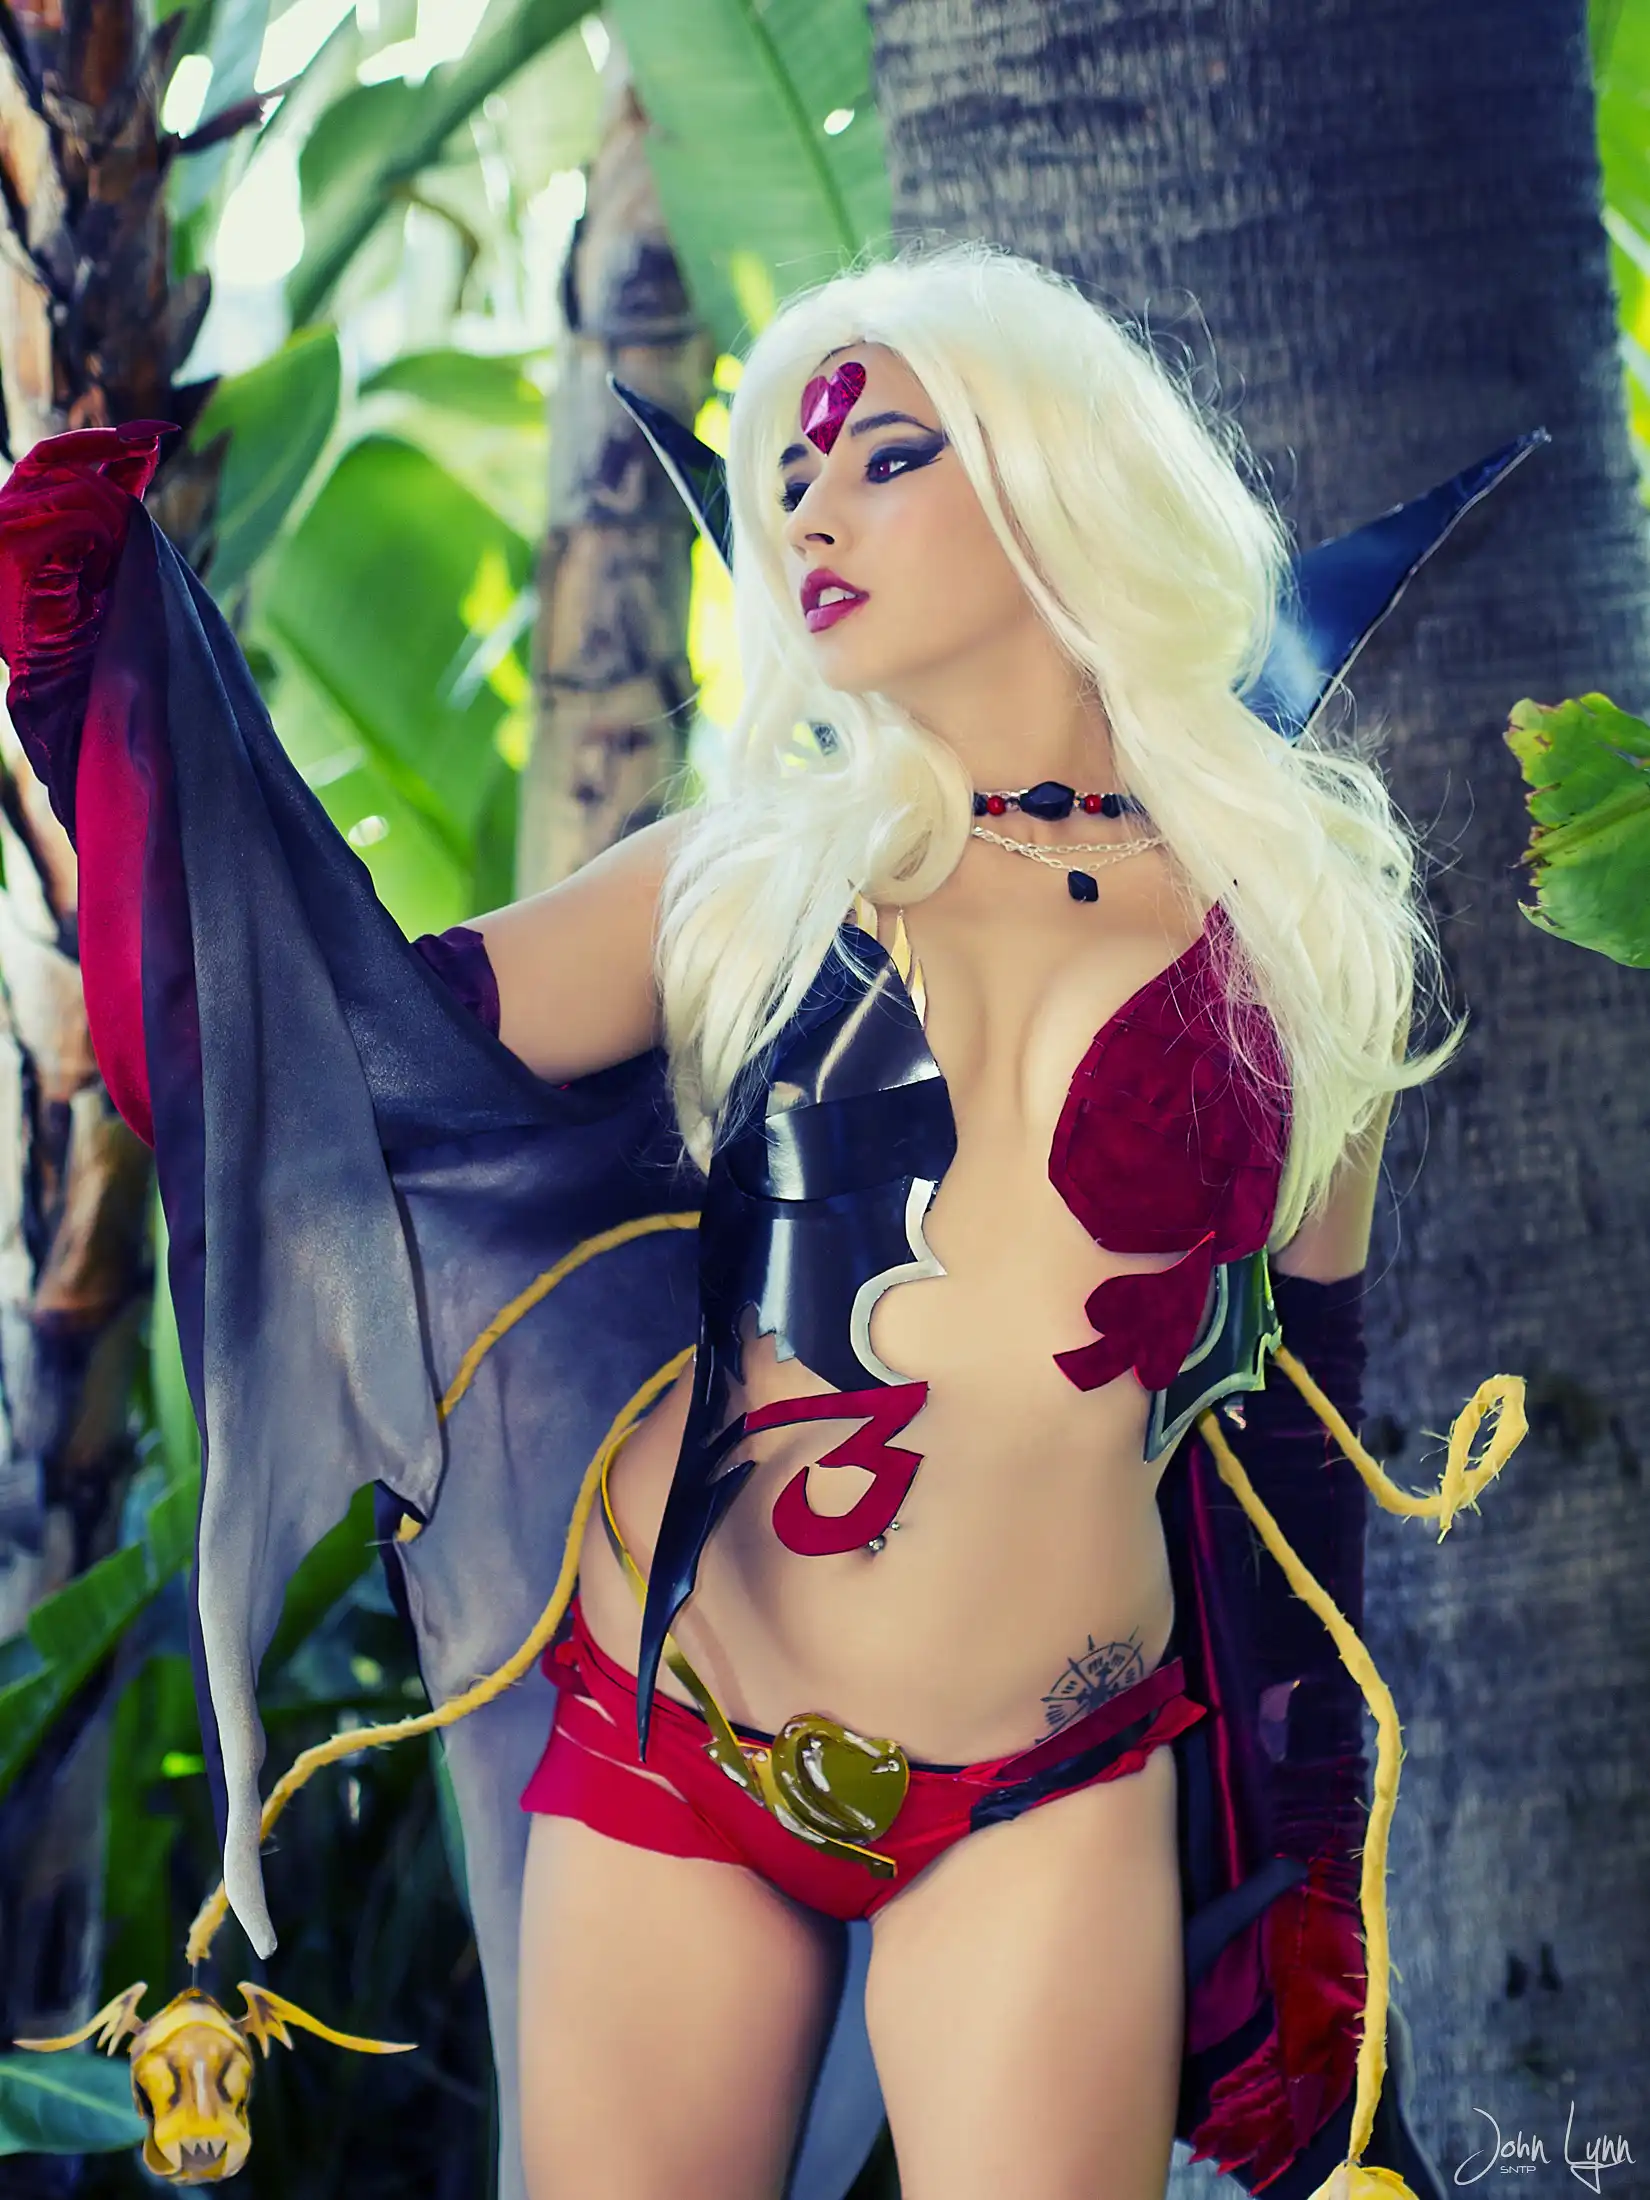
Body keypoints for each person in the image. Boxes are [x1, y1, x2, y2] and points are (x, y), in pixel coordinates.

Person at [0, 239, 1527, 2200]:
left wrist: (1308, 1866)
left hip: (1053, 1781)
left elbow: (1307, 1445)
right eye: (787, 473)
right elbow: (322, 1053)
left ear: (1057, 475)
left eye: (883, 457)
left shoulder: (1303, 930)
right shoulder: (743, 881)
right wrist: (102, 691)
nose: (808, 511)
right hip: (687, 1733)